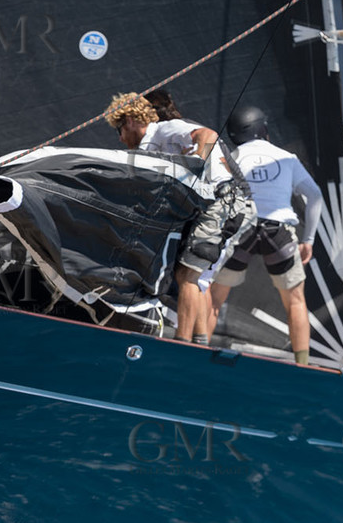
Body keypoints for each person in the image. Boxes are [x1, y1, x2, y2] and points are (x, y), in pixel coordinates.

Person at [104, 92, 254, 345]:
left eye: (119, 129)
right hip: (215, 205)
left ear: (129, 120)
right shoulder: (149, 147)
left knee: (188, 276)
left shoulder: (162, 130)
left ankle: (184, 343)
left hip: (223, 200)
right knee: (190, 275)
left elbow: (208, 135)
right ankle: (198, 342)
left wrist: (198, 161)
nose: (120, 138)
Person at [210, 106, 325, 365]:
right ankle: (302, 365)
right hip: (279, 232)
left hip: (241, 230)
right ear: (263, 129)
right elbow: (315, 195)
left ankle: (197, 351)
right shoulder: (287, 158)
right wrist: (308, 239)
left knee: (215, 297)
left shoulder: (233, 155)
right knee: (295, 302)